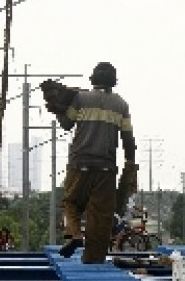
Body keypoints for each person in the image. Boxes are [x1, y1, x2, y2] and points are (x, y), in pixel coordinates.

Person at [55, 62, 137, 263]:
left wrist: (58, 109)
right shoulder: (121, 105)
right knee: (100, 219)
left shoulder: (81, 98)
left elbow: (67, 124)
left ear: (93, 79)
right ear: (113, 81)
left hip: (79, 165)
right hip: (106, 169)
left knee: (71, 203)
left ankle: (74, 234)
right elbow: (128, 139)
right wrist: (130, 166)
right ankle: (93, 261)